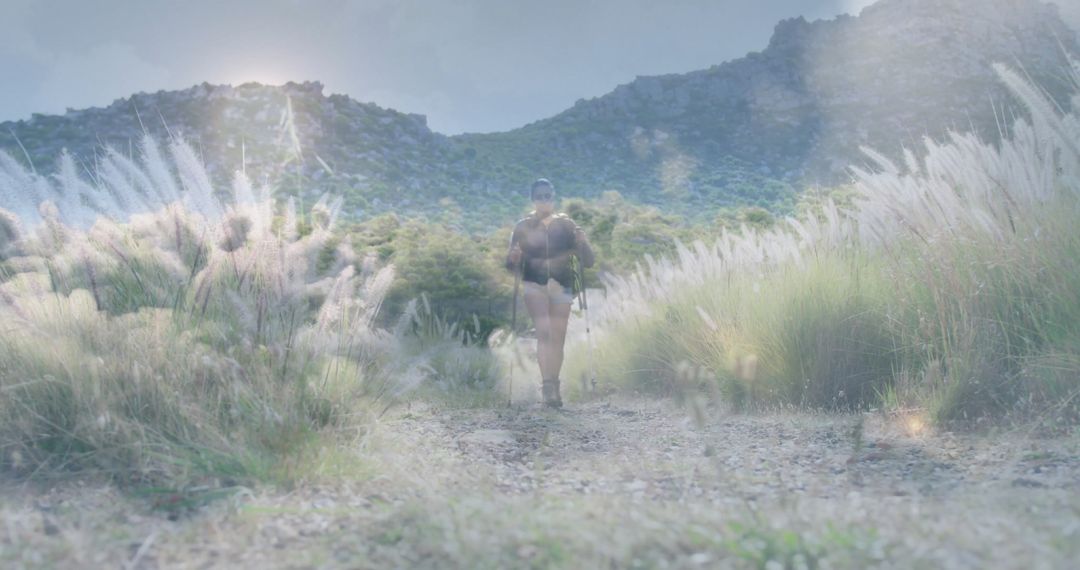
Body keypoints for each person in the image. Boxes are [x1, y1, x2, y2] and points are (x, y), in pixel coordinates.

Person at [506, 178, 595, 408]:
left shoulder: (567, 226)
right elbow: (509, 265)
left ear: (553, 197)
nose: (544, 200)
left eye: (548, 196)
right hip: (533, 284)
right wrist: (513, 258)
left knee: (558, 338)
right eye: (539, 196)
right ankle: (547, 387)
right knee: (544, 332)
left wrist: (583, 243)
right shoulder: (522, 227)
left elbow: (588, 262)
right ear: (532, 199)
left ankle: (554, 384)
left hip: (561, 284)